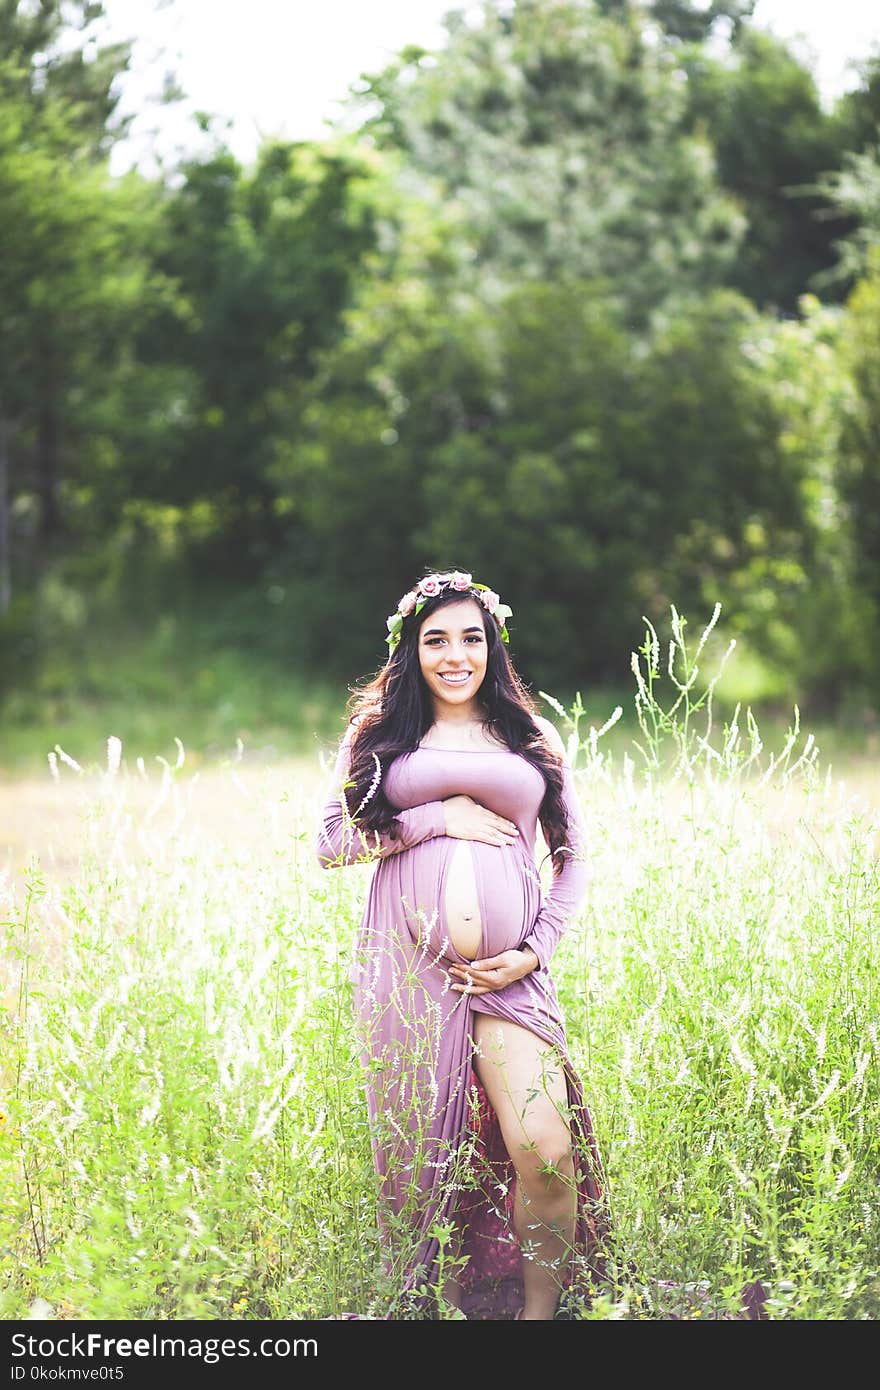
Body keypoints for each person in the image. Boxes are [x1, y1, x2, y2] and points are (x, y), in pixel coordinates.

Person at [316, 569, 609, 1320]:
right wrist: (433, 818)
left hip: (507, 978)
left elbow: (576, 857)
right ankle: (442, 1316)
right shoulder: (383, 736)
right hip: (408, 974)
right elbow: (330, 843)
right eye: (435, 640)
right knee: (420, 1172)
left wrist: (535, 950)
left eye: (471, 638)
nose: (455, 655)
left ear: (492, 646)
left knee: (546, 1152)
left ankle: (538, 1322)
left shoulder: (528, 736)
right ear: (411, 651)